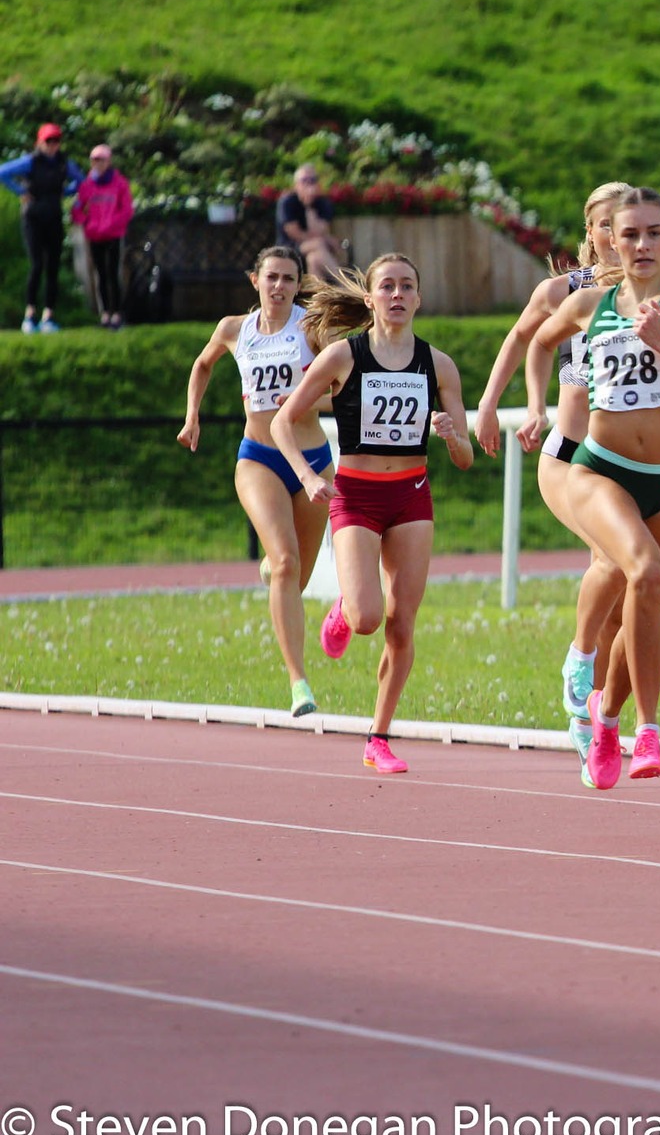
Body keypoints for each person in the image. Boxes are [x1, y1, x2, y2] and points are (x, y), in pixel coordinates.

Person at [525, 188, 660, 790]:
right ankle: (649, 730)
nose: (641, 245)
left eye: (653, 233)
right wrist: (542, 400)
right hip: (602, 471)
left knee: (645, 616)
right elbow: (539, 340)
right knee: (642, 572)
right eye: (629, 235)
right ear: (609, 242)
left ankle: (607, 718)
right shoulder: (590, 304)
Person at [272, 254, 473, 774]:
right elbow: (283, 423)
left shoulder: (439, 364)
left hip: (411, 495)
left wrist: (453, 436)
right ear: (370, 298)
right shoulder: (343, 356)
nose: (398, 295)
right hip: (356, 495)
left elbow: (466, 457)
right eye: (388, 286)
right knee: (365, 618)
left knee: (401, 623)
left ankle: (378, 737)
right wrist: (309, 476)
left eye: (408, 286)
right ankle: (344, 607)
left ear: (420, 298)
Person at [476, 180, 633, 759]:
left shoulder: (657, 293)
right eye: (609, 226)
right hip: (569, 455)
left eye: (630, 226)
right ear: (592, 232)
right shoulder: (567, 291)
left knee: (627, 594)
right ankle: (580, 659)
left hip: (629, 463)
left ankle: (596, 713)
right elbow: (525, 340)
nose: (620, 237)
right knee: (614, 561)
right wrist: (509, 404)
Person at [178, 246, 332, 717]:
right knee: (285, 564)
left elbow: (339, 388)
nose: (280, 287)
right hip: (259, 457)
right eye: (272, 278)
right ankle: (298, 682)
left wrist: (304, 400)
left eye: (289, 279)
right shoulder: (234, 329)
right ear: (255, 281)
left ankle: (272, 569)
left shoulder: (311, 328)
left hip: (312, 459)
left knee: (296, 577)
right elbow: (204, 364)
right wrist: (193, 416)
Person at [1, 122, 84, 333]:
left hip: (54, 217)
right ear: (40, 142)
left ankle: (49, 315)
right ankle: (30, 314)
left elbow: (82, 182)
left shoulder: (63, 163)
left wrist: (65, 193)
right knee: (37, 264)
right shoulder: (31, 162)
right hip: (33, 218)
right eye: (48, 141)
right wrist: (20, 191)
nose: (52, 145)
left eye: (56, 141)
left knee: (53, 267)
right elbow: (3, 172)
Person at [72, 144, 135, 329]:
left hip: (113, 234)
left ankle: (117, 313)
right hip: (95, 235)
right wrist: (88, 223)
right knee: (100, 274)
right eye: (95, 160)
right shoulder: (87, 185)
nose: (98, 163)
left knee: (113, 272)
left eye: (102, 160)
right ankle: (105, 313)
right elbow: (77, 209)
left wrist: (112, 223)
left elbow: (127, 209)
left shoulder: (119, 183)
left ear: (108, 161)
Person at [276, 164, 344, 281]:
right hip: (289, 247)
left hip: (314, 248)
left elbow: (320, 230)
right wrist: (322, 239)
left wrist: (308, 207)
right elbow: (294, 233)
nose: (309, 184)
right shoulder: (287, 202)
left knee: (313, 259)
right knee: (318, 244)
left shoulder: (322, 203)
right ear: (296, 184)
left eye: (312, 180)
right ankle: (343, 282)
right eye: (304, 180)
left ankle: (318, 296)